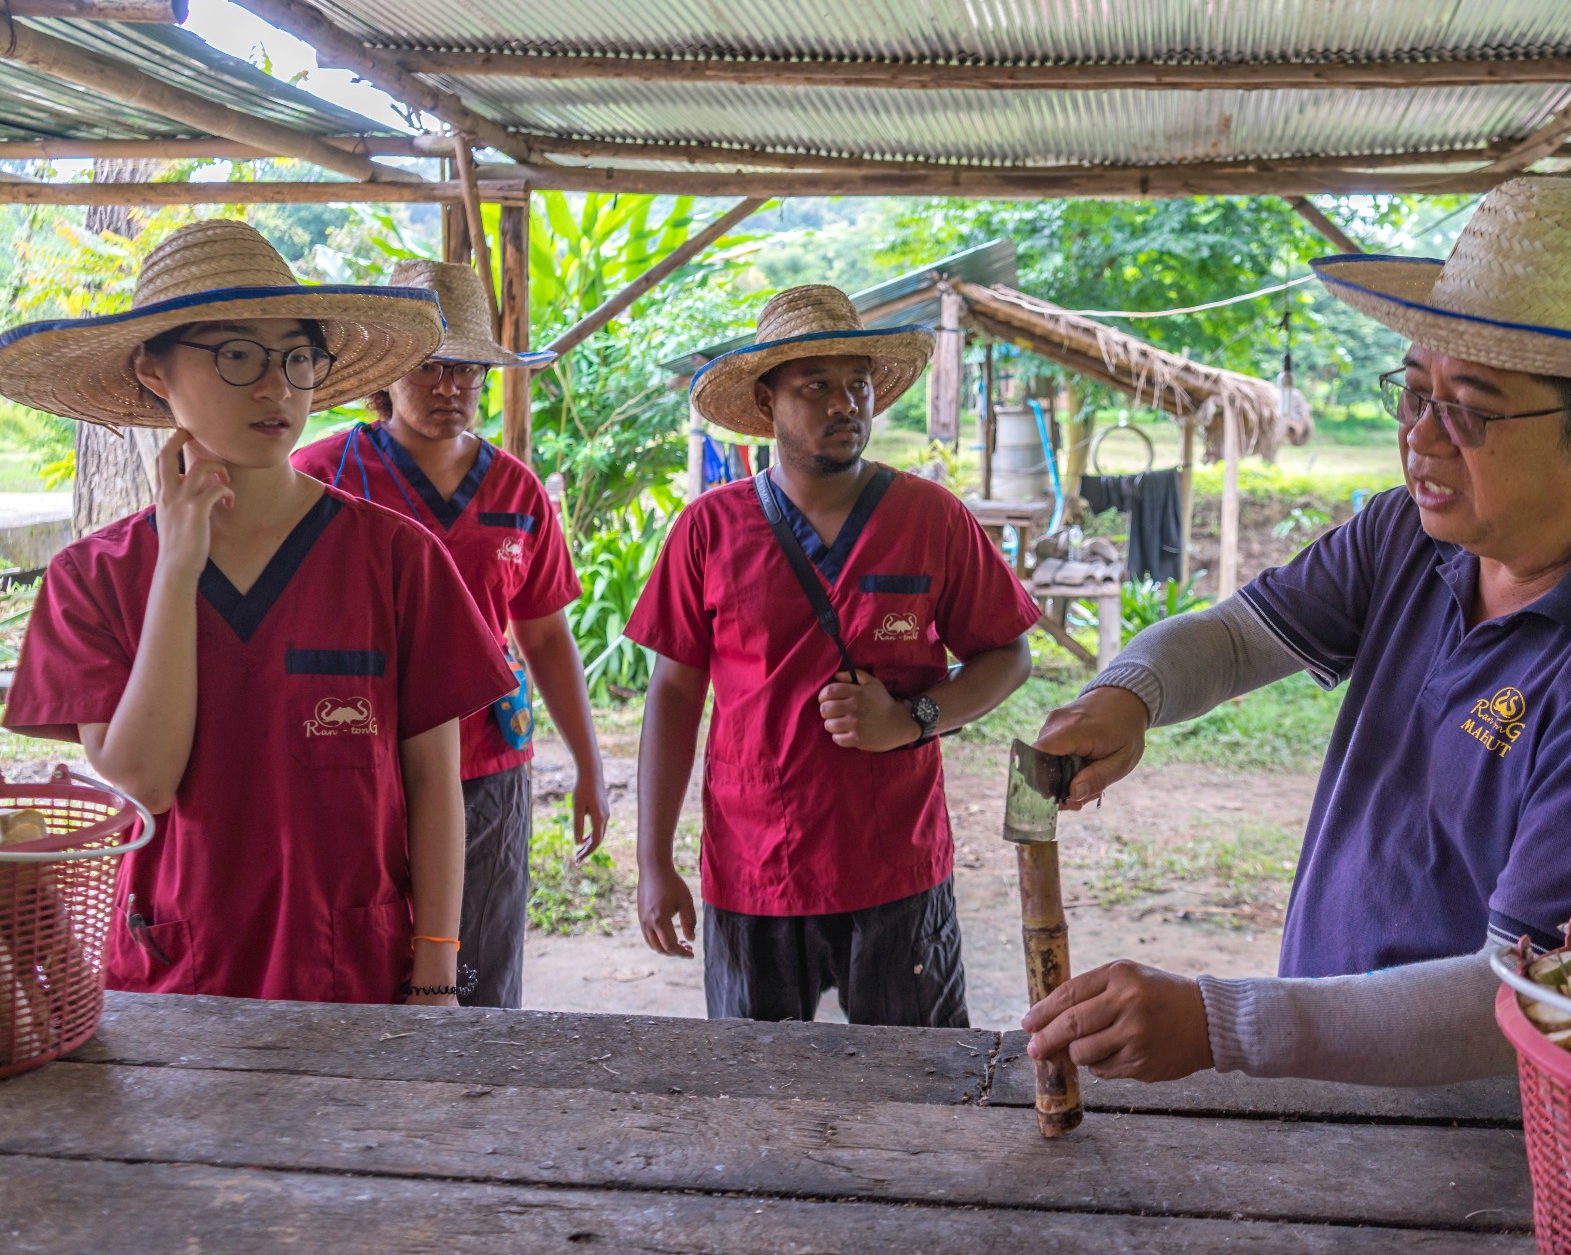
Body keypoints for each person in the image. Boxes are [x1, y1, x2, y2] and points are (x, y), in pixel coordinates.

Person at [1019, 178, 1571, 1086]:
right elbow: (1239, 636)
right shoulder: (1410, 531)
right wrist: (1126, 694)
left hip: (1484, 1137)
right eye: (1413, 394)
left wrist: (1223, 1023)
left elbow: (1525, 1002)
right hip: (1333, 1081)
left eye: (1470, 411)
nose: (1422, 440)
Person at [0, 220, 514, 1005]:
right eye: (237, 353)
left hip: (354, 975)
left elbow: (433, 782)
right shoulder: (94, 580)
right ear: (155, 371)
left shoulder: (398, 559)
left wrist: (437, 972)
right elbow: (142, 779)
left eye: (297, 356)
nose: (276, 387)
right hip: (174, 980)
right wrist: (177, 566)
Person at [629, 284, 1041, 1026]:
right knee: (759, 1096)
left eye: (857, 384)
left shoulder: (932, 518)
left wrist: (913, 717)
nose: (843, 403)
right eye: (815, 385)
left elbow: (1007, 654)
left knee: (916, 1093)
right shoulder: (708, 530)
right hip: (755, 870)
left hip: (895, 866)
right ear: (767, 402)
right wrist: (653, 860)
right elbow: (674, 696)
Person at [293, 260, 607, 1007]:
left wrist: (589, 765)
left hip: (489, 765)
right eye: (430, 367)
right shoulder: (321, 477)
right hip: (358, 760)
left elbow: (547, 636)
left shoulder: (517, 490)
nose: (449, 388)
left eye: (467, 371)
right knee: (355, 954)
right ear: (389, 369)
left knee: (480, 967)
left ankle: (475, 1111)